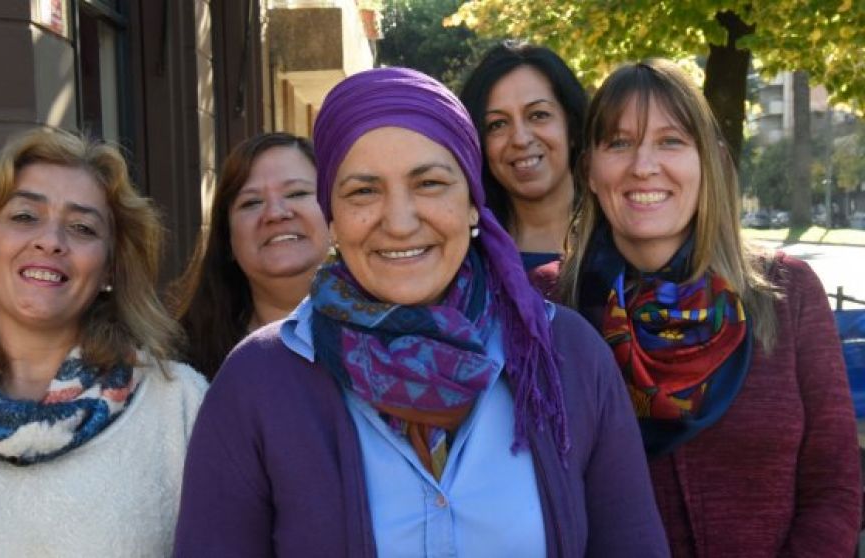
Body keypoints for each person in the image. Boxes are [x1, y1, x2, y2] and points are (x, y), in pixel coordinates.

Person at [173, 67, 668, 557]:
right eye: (363, 191)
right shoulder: (258, 382)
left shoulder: (567, 357)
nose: (400, 221)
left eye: (429, 183)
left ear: (474, 203)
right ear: (333, 217)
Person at [555, 59, 861, 556]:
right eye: (618, 142)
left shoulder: (788, 293)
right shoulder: (548, 305)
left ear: (712, 160)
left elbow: (835, 485)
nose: (643, 165)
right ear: (589, 169)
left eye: (671, 141)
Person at [0, 128, 208, 557]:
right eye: (25, 217)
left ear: (109, 269)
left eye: (82, 227)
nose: (50, 241)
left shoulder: (176, 409)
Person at [169, 132, 329, 379]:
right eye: (251, 202)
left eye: (297, 193)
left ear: (335, 218)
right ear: (228, 240)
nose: (276, 213)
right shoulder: (180, 367)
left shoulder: (388, 338)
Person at [459, 41, 587, 270]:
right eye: (497, 124)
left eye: (538, 115)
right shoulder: (465, 259)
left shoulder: (624, 239)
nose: (520, 139)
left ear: (573, 127)